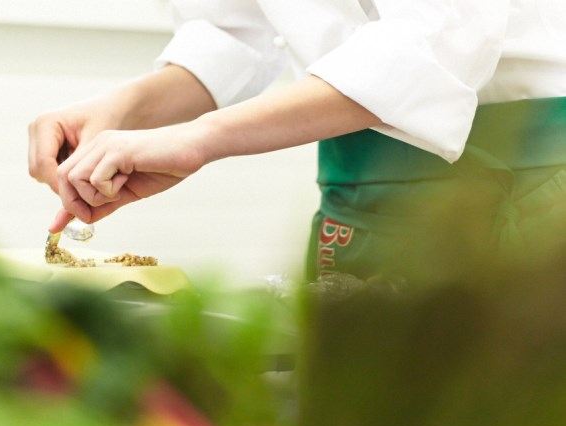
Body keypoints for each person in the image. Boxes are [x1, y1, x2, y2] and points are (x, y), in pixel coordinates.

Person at [28, 1, 566, 280]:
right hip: (361, 193)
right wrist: (119, 110)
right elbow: (231, 33)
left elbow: (437, 40)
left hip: (533, 187)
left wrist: (200, 138)